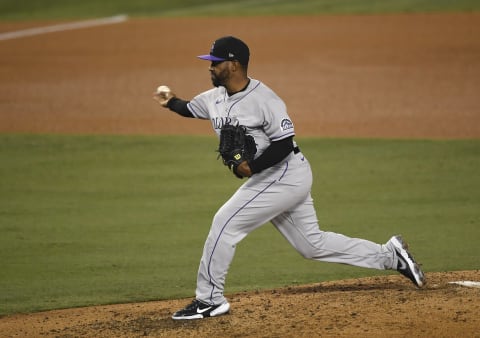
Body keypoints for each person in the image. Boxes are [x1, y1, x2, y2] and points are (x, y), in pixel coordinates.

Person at [153, 36, 426, 320]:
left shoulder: (264, 99)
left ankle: (209, 299)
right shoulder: (215, 98)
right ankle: (391, 255)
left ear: (233, 65)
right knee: (312, 245)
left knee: (225, 223)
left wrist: (252, 168)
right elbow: (189, 108)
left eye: (215, 63)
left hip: (284, 174)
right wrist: (170, 101)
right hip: (272, 179)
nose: (210, 68)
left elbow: (284, 143)